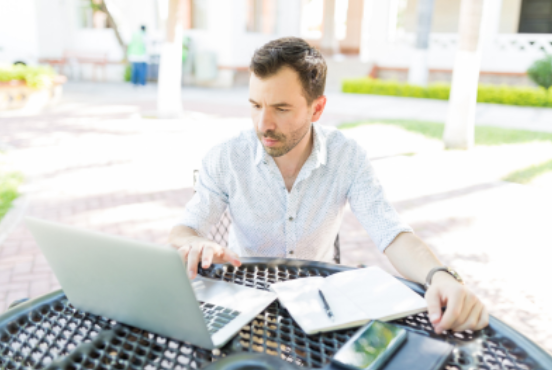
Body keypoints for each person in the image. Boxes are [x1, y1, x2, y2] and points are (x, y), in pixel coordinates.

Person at [168, 37, 488, 335]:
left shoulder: (346, 157)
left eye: (281, 109)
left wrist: (440, 275)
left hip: (323, 304)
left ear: (317, 109)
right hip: (248, 303)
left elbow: (389, 230)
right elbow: (184, 230)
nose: (263, 123)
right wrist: (193, 243)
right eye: (255, 105)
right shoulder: (226, 157)